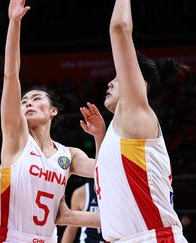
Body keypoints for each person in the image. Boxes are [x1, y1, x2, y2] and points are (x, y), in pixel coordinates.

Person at [0, 1, 100, 242]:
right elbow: (10, 76)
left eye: (36, 99)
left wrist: (99, 136)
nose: (27, 103)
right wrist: (14, 24)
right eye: (24, 101)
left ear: (53, 111)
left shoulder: (69, 155)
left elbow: (106, 172)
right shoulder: (16, 140)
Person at [80, 0, 188, 242]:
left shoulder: (137, 112)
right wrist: (100, 139)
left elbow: (119, 27)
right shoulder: (124, 132)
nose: (110, 82)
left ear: (139, 82)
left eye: (117, 77)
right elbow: (111, 201)